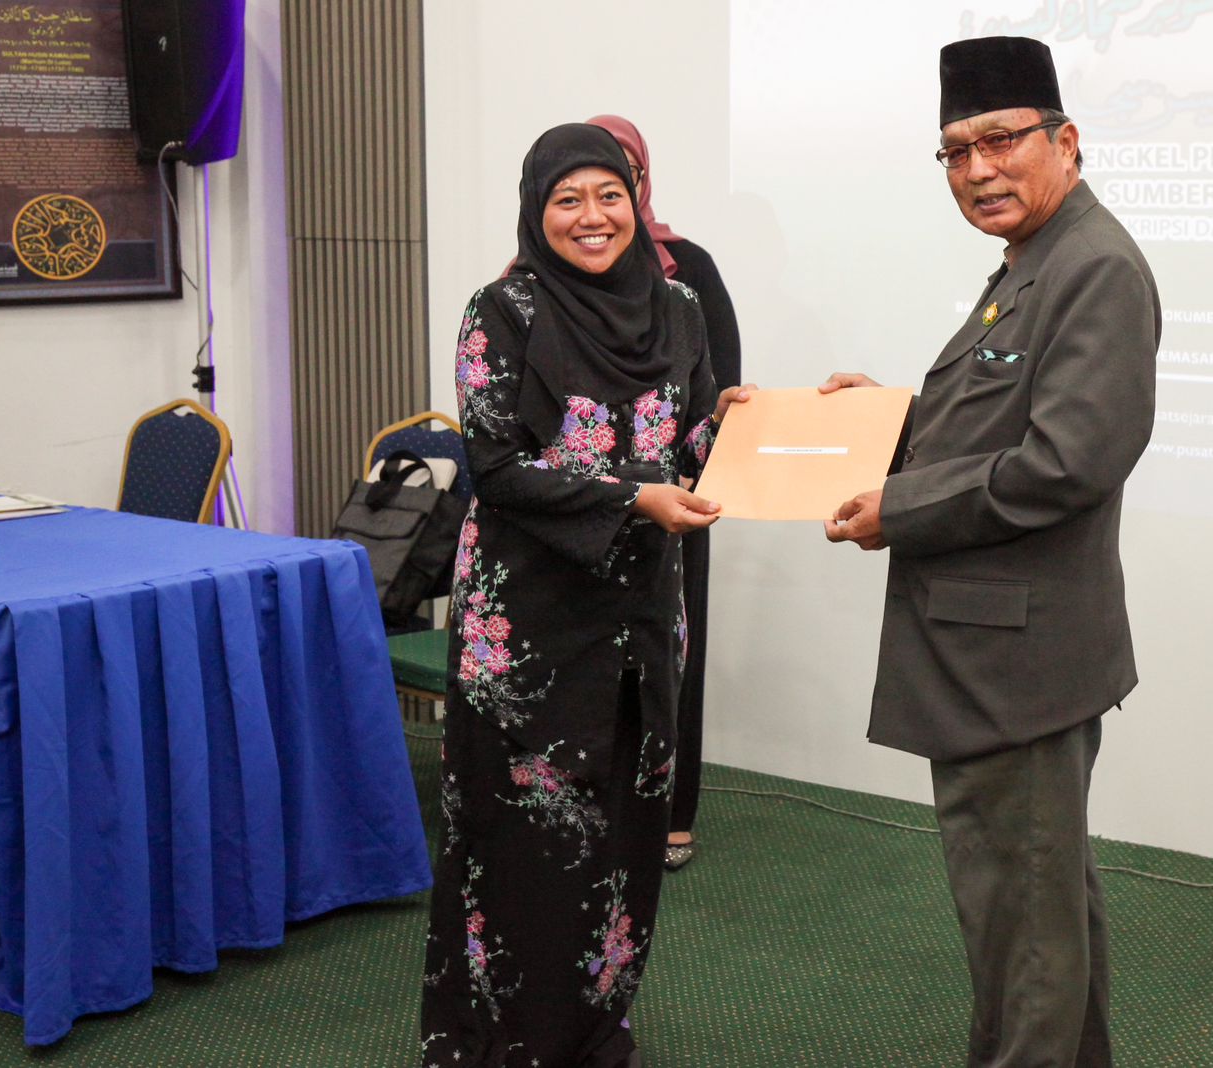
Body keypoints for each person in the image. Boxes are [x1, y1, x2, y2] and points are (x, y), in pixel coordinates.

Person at [820, 36, 1160, 1068]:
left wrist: (899, 506)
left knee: (1025, 930)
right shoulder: (1037, 258)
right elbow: (997, 411)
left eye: (1002, 140)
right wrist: (884, 419)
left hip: (1019, 660)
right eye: (956, 151)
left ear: (1066, 140)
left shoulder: (1094, 267)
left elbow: (1065, 462)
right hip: (997, 649)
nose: (978, 170)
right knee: (1036, 906)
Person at [420, 122, 750, 1068]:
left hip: (639, 615)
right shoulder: (502, 310)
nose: (592, 216)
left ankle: (595, 1033)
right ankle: (501, 1042)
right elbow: (495, 468)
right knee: (521, 842)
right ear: (539, 210)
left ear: (636, 202)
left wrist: (738, 425)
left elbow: (684, 443)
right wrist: (632, 496)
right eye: (569, 199)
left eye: (610, 195)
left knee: (624, 838)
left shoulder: (677, 305)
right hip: (526, 627)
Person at [584, 114, 742, 872]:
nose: (596, 210)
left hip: (673, 507)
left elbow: (716, 397)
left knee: (673, 660)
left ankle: (671, 814)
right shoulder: (520, 286)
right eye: (574, 190)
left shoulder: (687, 274)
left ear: (641, 183)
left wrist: (694, 474)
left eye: (619, 182)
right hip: (572, 518)